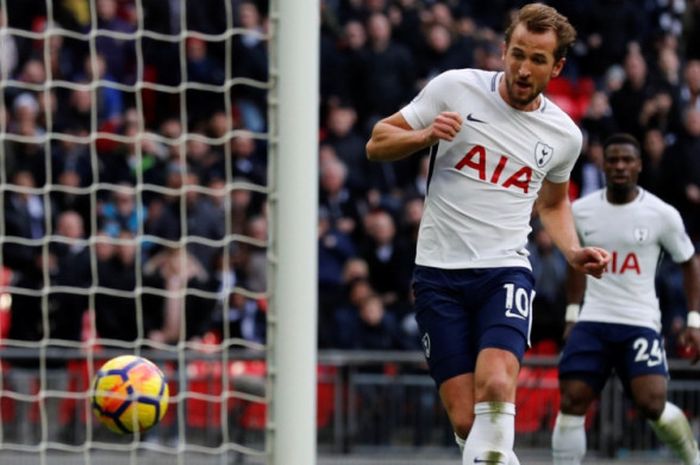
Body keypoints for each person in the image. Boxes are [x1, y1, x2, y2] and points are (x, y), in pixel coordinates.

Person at [365, 4, 610, 464]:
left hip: (505, 271)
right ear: (503, 50)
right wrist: (423, 137)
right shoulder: (455, 87)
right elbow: (377, 142)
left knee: (497, 385)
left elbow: (553, 203)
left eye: (537, 60)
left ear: (556, 67)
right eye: (517, 54)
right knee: (465, 421)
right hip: (438, 274)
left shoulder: (564, 136)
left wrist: (574, 251)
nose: (522, 68)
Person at [551, 133, 700, 465]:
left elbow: (690, 261)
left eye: (627, 160)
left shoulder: (662, 214)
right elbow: (575, 262)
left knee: (652, 403)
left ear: (639, 166)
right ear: (603, 165)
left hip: (639, 321)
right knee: (572, 399)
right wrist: (572, 314)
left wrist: (694, 321)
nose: (620, 166)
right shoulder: (582, 210)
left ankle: (694, 459)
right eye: (613, 160)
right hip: (593, 320)